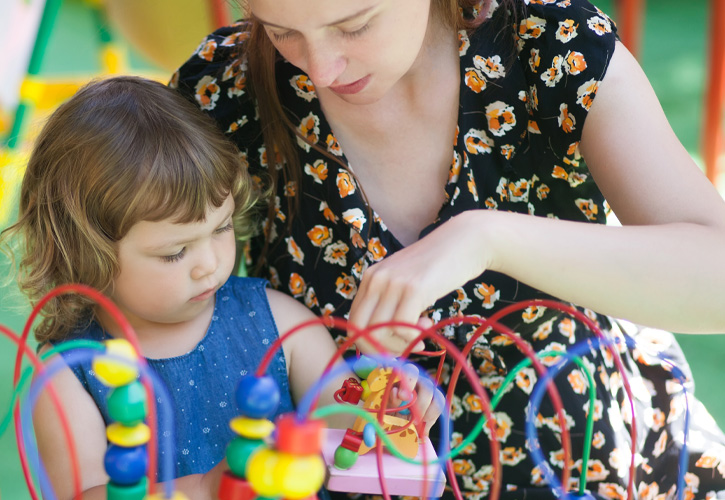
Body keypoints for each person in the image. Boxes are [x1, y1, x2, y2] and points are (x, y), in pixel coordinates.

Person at [171, 0, 725, 498]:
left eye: (355, 25)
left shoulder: (549, 47)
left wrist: (486, 236)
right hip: (342, 475)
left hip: (582, 462)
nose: (318, 69)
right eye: (281, 32)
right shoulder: (223, 90)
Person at [2, 76, 372, 500]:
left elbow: (342, 425)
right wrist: (205, 489)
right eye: (175, 252)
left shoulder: (280, 322)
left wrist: (383, 413)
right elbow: (83, 492)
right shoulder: (71, 371)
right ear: (87, 255)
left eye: (222, 228)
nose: (210, 265)